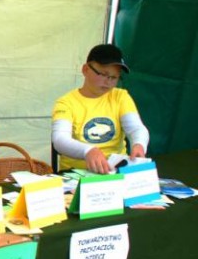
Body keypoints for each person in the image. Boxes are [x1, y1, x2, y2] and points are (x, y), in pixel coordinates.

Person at [52, 43, 149, 173]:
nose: (108, 81)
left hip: (116, 170)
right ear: (86, 69)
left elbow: (136, 128)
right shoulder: (66, 102)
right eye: (103, 74)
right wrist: (88, 151)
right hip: (77, 173)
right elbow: (59, 140)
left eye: (114, 77)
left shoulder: (120, 96)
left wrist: (139, 144)